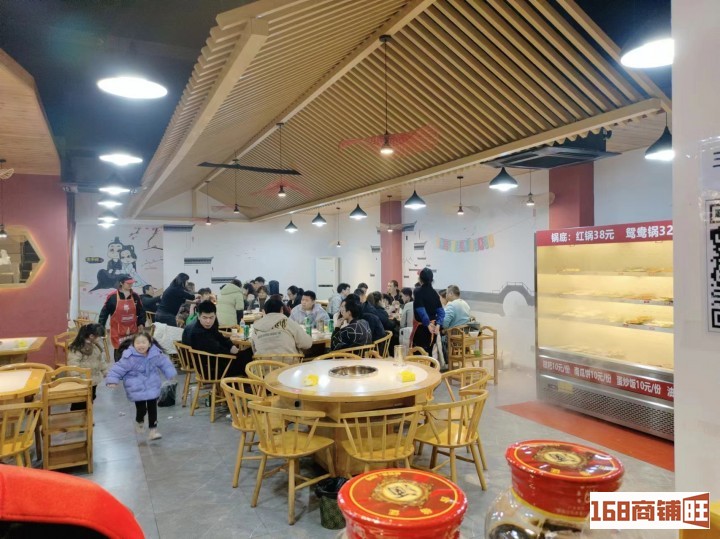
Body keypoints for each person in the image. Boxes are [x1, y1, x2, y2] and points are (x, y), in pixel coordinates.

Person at [106, 331, 177, 442]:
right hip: (136, 388)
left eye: (144, 342)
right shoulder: (129, 357)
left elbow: (165, 363)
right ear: (133, 344)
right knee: (141, 409)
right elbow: (118, 369)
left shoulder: (155, 354)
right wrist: (112, 380)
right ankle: (139, 421)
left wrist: (170, 374)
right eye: (138, 343)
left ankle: (153, 431)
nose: (141, 345)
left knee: (153, 408)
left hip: (152, 385)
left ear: (149, 343)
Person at [182, 300, 248, 376]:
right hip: (209, 369)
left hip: (209, 361)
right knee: (247, 357)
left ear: (215, 316)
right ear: (199, 316)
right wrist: (233, 352)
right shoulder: (198, 333)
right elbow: (217, 349)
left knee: (245, 354)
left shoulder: (197, 324)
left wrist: (231, 346)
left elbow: (219, 336)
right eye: (205, 317)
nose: (208, 321)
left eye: (211, 317)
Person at [98, 275, 146, 360]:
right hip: (117, 331)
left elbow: (141, 311)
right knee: (119, 353)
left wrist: (141, 323)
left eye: (132, 283)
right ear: (121, 283)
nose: (131, 285)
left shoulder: (135, 296)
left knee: (132, 352)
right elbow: (104, 313)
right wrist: (101, 327)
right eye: (128, 283)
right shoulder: (112, 297)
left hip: (132, 330)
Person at [67, 323, 109, 410]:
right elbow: (73, 364)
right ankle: (77, 415)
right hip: (82, 381)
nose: (100, 339)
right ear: (91, 336)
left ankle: (87, 414)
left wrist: (105, 372)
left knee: (91, 397)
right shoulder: (77, 347)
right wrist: (77, 378)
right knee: (80, 401)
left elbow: (101, 360)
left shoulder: (95, 346)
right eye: (99, 337)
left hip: (93, 379)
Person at [411, 268, 445, 354]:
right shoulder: (434, 293)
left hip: (422, 328)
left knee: (418, 354)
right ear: (432, 279)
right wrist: (438, 325)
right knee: (429, 353)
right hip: (433, 327)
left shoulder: (417, 291)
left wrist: (427, 324)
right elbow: (441, 312)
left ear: (420, 279)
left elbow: (421, 310)